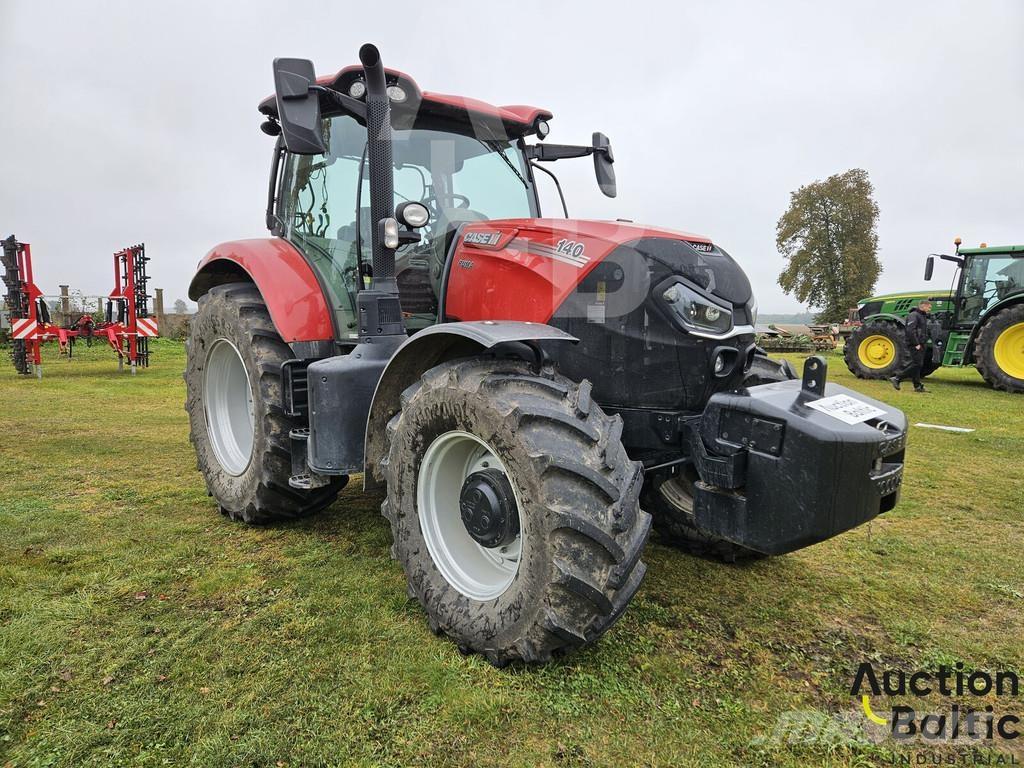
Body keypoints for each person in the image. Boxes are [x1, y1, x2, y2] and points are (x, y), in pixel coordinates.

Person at [890, 300, 932, 392]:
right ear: (923, 306)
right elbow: (910, 331)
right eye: (929, 307)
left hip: (921, 343)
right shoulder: (914, 315)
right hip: (915, 344)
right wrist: (916, 343)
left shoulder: (922, 316)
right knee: (917, 364)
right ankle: (897, 378)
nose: (929, 309)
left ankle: (917, 386)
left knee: (918, 365)